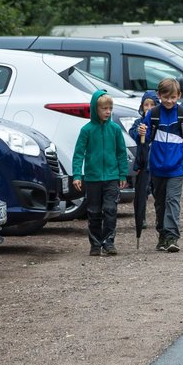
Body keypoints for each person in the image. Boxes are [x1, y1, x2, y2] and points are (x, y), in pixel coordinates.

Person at [135, 77, 183, 252]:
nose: (169, 101)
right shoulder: (153, 114)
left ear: (178, 96)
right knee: (160, 203)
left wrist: (182, 155)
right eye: (166, 97)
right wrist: (142, 132)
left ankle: (171, 236)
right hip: (156, 168)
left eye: (173, 97)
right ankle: (162, 234)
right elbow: (144, 140)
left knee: (172, 200)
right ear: (159, 95)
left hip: (177, 168)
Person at [71, 91, 128, 257]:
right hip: (92, 178)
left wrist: (123, 174)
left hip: (111, 177)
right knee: (94, 211)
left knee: (110, 209)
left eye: (110, 108)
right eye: (104, 108)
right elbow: (79, 153)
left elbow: (121, 153)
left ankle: (109, 242)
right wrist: (76, 175)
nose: (108, 112)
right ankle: (95, 244)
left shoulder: (115, 129)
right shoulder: (87, 130)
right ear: (95, 109)